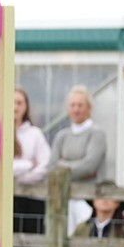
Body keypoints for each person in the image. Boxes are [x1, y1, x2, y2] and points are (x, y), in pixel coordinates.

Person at [47, 85, 108, 234]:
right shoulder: (62, 136)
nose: (76, 109)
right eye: (72, 105)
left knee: (84, 237)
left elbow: (90, 165)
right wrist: (76, 167)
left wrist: (62, 165)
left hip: (87, 199)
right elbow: (51, 167)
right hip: (63, 198)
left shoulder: (97, 134)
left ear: (89, 108)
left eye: (80, 105)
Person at [12, 88, 51, 247]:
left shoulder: (35, 134)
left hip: (32, 200)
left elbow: (45, 165)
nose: (15, 107)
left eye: (19, 102)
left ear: (26, 106)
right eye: (12, 102)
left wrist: (19, 175)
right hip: (8, 200)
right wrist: (28, 165)